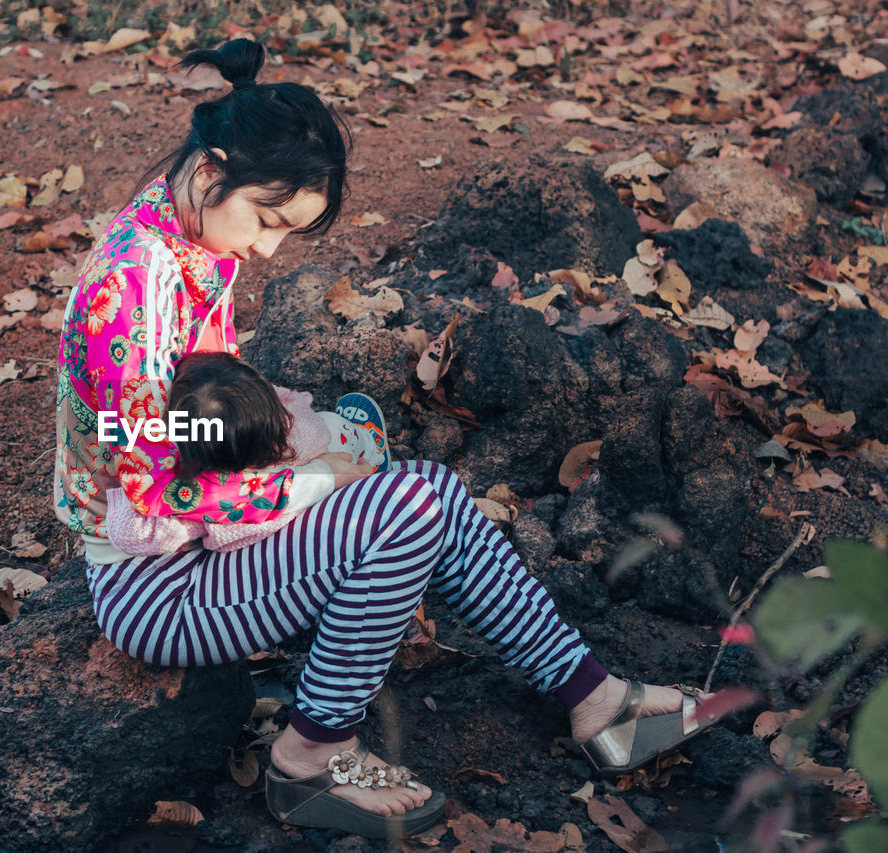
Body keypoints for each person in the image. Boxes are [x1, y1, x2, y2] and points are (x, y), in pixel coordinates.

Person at [54, 38, 717, 839]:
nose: (266, 247)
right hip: (157, 587)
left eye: (283, 231)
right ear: (209, 171)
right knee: (401, 505)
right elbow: (157, 481)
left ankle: (595, 698)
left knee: (426, 494)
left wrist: (302, 447)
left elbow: (205, 418)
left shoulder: (194, 244)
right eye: (265, 218)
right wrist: (317, 477)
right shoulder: (127, 290)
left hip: (208, 539)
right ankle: (308, 758)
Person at [103, 351, 388, 556]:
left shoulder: (181, 429)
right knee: (331, 428)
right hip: (176, 587)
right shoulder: (292, 439)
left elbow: (134, 530)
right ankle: (371, 455)